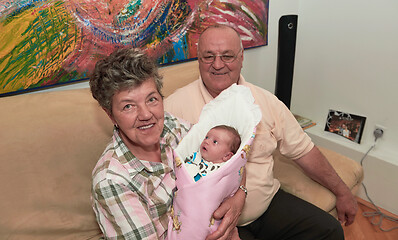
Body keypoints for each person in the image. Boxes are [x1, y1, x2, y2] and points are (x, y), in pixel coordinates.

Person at [164, 24, 358, 240]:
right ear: (198, 59)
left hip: (268, 207)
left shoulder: (266, 102)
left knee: (330, 231)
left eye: (227, 56)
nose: (217, 65)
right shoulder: (172, 108)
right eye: (208, 56)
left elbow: (304, 151)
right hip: (213, 223)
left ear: (241, 57)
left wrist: (342, 192)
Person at [89, 48, 192, 239]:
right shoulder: (111, 181)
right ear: (110, 114)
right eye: (128, 106)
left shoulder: (169, 125)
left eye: (151, 99)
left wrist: (236, 199)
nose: (146, 115)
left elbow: (227, 154)